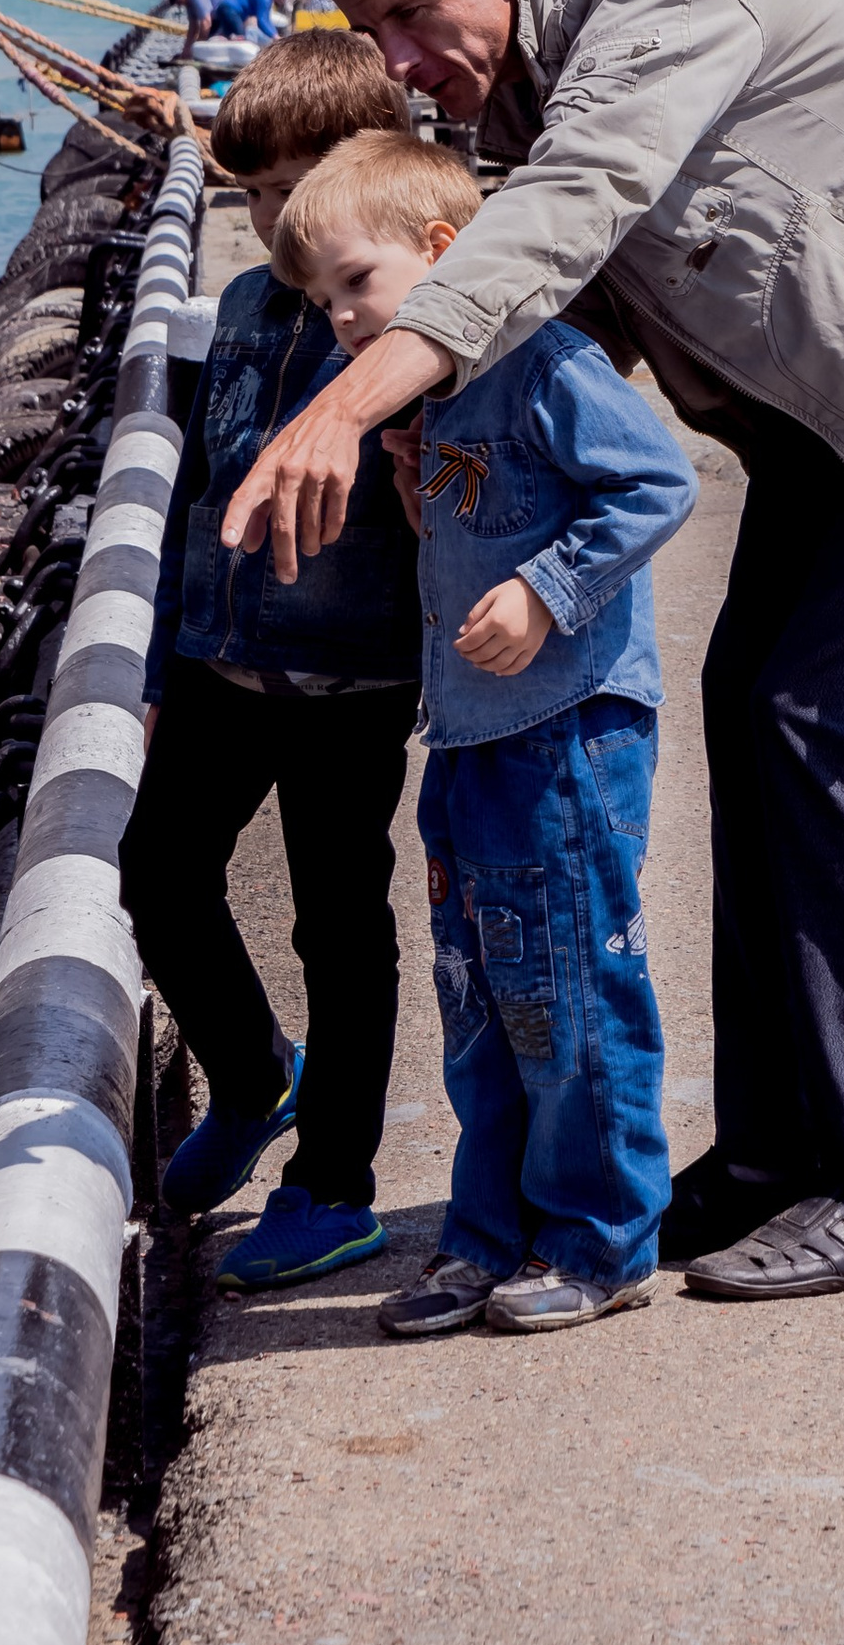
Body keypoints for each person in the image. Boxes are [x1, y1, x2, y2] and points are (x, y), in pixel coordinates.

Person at [223, 0, 844, 1311]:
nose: (403, 63)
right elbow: (568, 306)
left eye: (412, 20)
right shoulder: (523, 75)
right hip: (824, 389)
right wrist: (454, 453)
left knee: (824, 734)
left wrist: (341, 410)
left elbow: (575, 206)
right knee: (755, 713)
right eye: (372, 35)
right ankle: (771, 1154)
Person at [268, 129, 696, 1337]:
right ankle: (487, 1230)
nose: (343, 320)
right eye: (322, 300)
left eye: (357, 283)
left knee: (570, 987)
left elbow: (658, 484)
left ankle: (600, 1239)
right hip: (466, 736)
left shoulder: (545, 361)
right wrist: (415, 499)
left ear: (444, 254)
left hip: (564, 731)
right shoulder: (438, 396)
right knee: (484, 998)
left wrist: (547, 588)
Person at [119, 33, 423, 1292]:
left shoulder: (404, 328)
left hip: (351, 685)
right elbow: (195, 490)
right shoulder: (237, 313)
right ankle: (255, 1078)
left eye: (295, 189)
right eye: (250, 194)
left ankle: (333, 1185)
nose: (271, 220)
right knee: (156, 871)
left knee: (339, 926)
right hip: (220, 665)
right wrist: (153, 661)